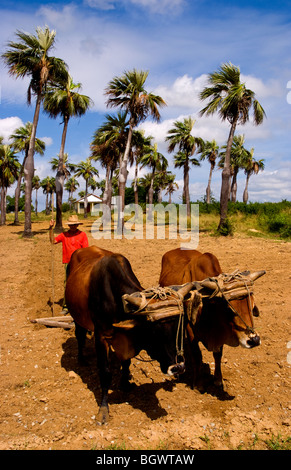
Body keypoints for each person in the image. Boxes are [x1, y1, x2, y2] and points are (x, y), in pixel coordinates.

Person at [49, 215, 89, 313]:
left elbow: (85, 250)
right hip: (68, 263)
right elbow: (53, 241)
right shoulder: (64, 235)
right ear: (69, 225)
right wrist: (51, 228)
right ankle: (66, 306)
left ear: (77, 225)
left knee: (81, 284)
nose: (73, 226)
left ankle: (81, 305)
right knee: (68, 284)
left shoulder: (82, 235)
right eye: (71, 225)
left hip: (80, 264)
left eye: (75, 225)